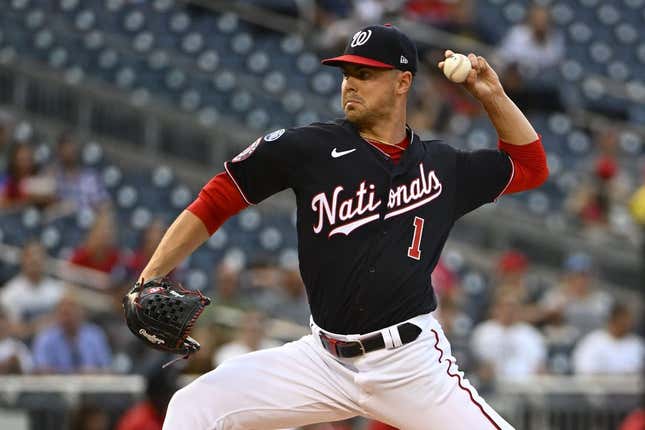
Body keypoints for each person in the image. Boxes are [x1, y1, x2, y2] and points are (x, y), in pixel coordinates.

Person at [132, 24, 548, 429]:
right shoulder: (309, 147)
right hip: (323, 360)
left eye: (365, 74)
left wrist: (491, 95)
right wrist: (151, 275)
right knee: (194, 405)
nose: (350, 83)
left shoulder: (443, 166)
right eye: (347, 73)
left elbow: (531, 167)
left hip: (408, 365)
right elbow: (218, 197)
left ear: (403, 82)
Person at [470, 294, 546, 382]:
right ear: (496, 308)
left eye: (513, 307)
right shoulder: (483, 332)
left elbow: (540, 367)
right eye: (505, 306)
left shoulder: (531, 334)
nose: (509, 311)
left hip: (526, 387)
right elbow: (477, 364)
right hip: (493, 387)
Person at [32, 294, 112, 373]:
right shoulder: (45, 338)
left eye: (71, 313)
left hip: (92, 383)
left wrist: (92, 371)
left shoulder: (95, 335)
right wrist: (69, 372)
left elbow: (106, 367)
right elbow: (41, 369)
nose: (67, 318)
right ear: (57, 315)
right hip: (56, 384)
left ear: (81, 313)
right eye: (64, 314)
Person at [0, 241, 64, 331]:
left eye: (39, 256)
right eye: (30, 256)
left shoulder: (58, 290)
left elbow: (63, 322)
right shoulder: (10, 293)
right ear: (22, 259)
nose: (35, 259)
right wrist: (36, 326)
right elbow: (12, 329)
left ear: (45, 260)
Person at [572, 302, 644, 375]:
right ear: (612, 319)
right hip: (596, 385)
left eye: (628, 319)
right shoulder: (593, 341)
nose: (626, 323)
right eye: (622, 319)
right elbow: (583, 370)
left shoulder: (638, 343)